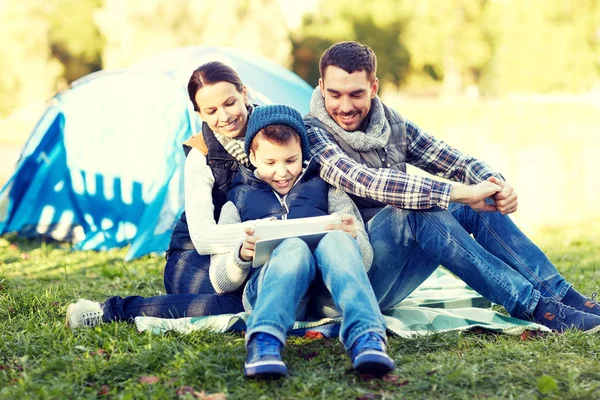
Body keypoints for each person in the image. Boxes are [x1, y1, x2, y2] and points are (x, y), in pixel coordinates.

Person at [304, 41, 600, 334]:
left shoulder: (392, 124)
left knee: (474, 203)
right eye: (335, 94)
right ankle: (537, 308)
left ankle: (565, 297)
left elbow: (454, 160)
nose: (345, 107)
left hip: (391, 277)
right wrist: (458, 193)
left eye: (356, 94)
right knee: (415, 210)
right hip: (342, 286)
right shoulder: (311, 132)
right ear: (320, 86)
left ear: (374, 87)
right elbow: (364, 180)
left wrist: (495, 184)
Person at [66, 61, 262, 327]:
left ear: (245, 94)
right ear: (199, 114)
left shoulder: (275, 132)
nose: (224, 116)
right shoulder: (199, 156)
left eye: (230, 103)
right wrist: (267, 231)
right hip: (194, 258)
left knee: (269, 291)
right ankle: (112, 311)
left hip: (253, 254)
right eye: (211, 110)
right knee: (242, 301)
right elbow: (203, 238)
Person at [209, 104, 394, 378]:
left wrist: (352, 237)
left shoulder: (328, 188)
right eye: (270, 163)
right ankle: (265, 341)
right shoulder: (236, 201)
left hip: (326, 297)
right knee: (293, 247)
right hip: (267, 292)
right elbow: (219, 281)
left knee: (336, 240)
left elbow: (364, 260)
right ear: (252, 156)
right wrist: (242, 255)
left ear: (304, 154)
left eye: (290, 160)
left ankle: (366, 337)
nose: (282, 172)